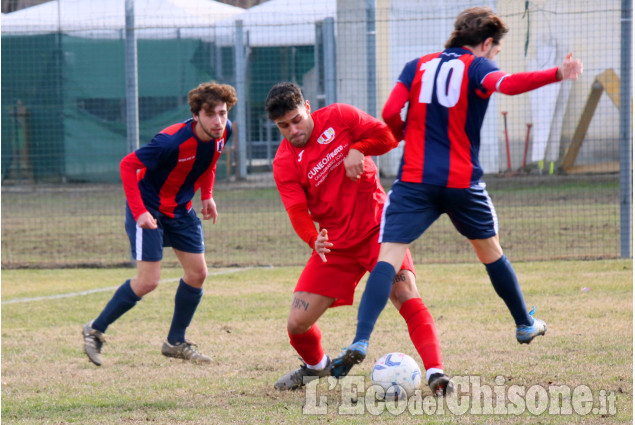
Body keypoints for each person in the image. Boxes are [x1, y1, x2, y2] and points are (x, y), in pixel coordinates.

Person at [333, 6, 583, 371]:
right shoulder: (478, 66)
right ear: (485, 43)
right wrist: (558, 72)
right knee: (490, 252)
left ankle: (361, 338)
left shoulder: (416, 65)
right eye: (496, 51)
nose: (494, 56)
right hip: (462, 182)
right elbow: (509, 85)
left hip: (415, 181)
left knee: (387, 258)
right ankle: (524, 324)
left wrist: (402, 133)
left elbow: (389, 111)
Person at [266, 82, 453, 396]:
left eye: (296, 120)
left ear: (307, 107)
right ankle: (315, 367)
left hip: (379, 230)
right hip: (334, 244)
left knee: (404, 293)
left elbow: (390, 136)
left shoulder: (340, 116)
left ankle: (436, 373)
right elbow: (297, 211)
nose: (293, 130)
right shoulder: (284, 162)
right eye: (283, 126)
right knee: (297, 324)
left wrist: (358, 148)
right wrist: (314, 239)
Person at [82, 81, 238, 366]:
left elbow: (210, 161)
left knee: (197, 274)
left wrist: (208, 195)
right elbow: (128, 165)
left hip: (181, 210)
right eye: (211, 115)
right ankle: (95, 330)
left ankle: (175, 342)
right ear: (196, 115)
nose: (219, 121)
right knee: (148, 281)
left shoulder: (224, 132)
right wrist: (140, 211)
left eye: (223, 113)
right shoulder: (171, 141)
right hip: (150, 208)